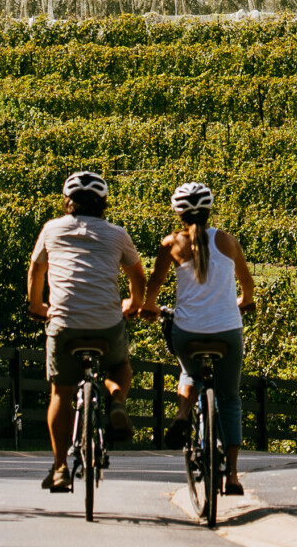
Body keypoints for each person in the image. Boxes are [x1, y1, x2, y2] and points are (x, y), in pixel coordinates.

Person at [26, 170, 149, 493]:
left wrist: (37, 306)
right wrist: (134, 304)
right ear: (103, 204)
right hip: (106, 322)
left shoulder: (52, 229)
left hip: (64, 322)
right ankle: (117, 401)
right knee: (119, 365)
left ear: (67, 201)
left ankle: (59, 468)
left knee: (60, 393)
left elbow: (37, 268)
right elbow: (137, 276)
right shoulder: (117, 234)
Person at [148, 180, 257, 495]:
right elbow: (247, 285)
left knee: (189, 371)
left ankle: (183, 413)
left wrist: (149, 307)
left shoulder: (171, 243)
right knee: (230, 398)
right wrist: (244, 301)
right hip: (227, 331)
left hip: (188, 331)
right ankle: (232, 477)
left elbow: (154, 284)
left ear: (178, 213)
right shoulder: (228, 241)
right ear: (209, 211)